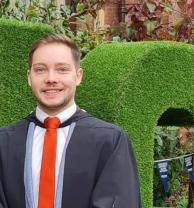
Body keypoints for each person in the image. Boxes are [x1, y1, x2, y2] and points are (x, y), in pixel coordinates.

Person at [0, 34, 141, 208]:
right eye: (40, 69)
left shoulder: (110, 141)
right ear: (29, 77)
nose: (51, 78)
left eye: (62, 69)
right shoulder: (4, 142)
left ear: (78, 76)